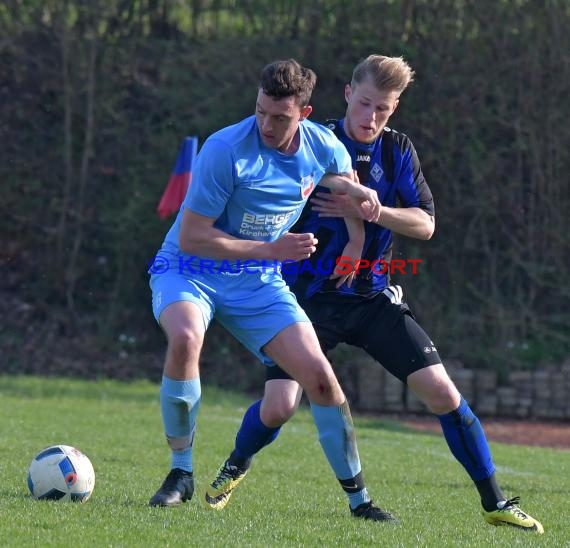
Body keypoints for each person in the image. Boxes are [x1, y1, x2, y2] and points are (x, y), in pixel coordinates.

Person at [204, 55, 544, 534]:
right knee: (279, 405)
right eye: (364, 104)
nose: (370, 118)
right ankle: (234, 466)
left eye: (382, 110)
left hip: (371, 301)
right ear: (347, 94)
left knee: (444, 393)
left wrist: (373, 211)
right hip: (305, 302)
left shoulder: (398, 151)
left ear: (395, 108)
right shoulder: (313, 140)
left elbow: (425, 224)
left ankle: (495, 502)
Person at [147, 58, 398, 522]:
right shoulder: (225, 149)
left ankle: (360, 502)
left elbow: (341, 181)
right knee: (185, 338)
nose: (266, 123)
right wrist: (271, 248)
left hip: (256, 279)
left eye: (279, 117)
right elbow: (192, 237)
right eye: (261, 111)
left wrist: (360, 212)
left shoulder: (323, 145)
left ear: (303, 114)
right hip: (189, 267)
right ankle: (180, 473)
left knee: (320, 378)